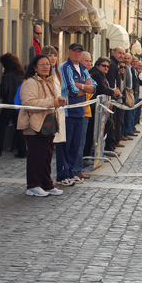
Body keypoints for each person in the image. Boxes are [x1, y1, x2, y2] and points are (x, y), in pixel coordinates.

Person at [17, 54, 66, 197]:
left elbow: (51, 100)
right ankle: (33, 185)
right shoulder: (30, 82)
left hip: (48, 124)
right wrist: (52, 101)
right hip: (35, 125)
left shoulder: (49, 81)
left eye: (47, 64)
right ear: (34, 67)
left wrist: (58, 100)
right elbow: (29, 103)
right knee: (36, 156)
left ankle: (46, 184)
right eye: (42, 64)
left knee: (47, 156)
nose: (46, 67)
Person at [56, 43, 96, 186]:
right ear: (69, 52)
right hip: (68, 112)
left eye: (80, 52)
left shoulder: (83, 69)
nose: (77, 54)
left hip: (79, 112)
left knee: (75, 145)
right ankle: (62, 174)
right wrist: (86, 87)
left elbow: (94, 87)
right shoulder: (65, 68)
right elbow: (71, 91)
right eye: (75, 52)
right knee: (65, 146)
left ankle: (71, 172)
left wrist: (82, 86)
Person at [0, 53, 26, 158]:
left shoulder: (6, 75)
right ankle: (22, 151)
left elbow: (4, 89)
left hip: (8, 104)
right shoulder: (21, 74)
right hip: (18, 105)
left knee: (1, 126)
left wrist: (3, 97)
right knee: (19, 128)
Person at [74, 51, 93, 180]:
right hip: (77, 112)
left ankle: (77, 168)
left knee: (81, 142)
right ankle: (75, 170)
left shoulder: (88, 75)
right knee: (77, 143)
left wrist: (85, 89)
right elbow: (77, 93)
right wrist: (84, 89)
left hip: (85, 112)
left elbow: (90, 92)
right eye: (86, 61)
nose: (89, 63)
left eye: (90, 61)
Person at [106, 46, 125, 152]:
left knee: (116, 121)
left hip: (114, 97)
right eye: (119, 53)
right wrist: (113, 96)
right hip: (111, 98)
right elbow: (111, 81)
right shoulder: (112, 65)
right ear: (113, 53)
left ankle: (113, 144)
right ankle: (110, 146)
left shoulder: (115, 64)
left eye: (122, 53)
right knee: (112, 122)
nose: (121, 55)